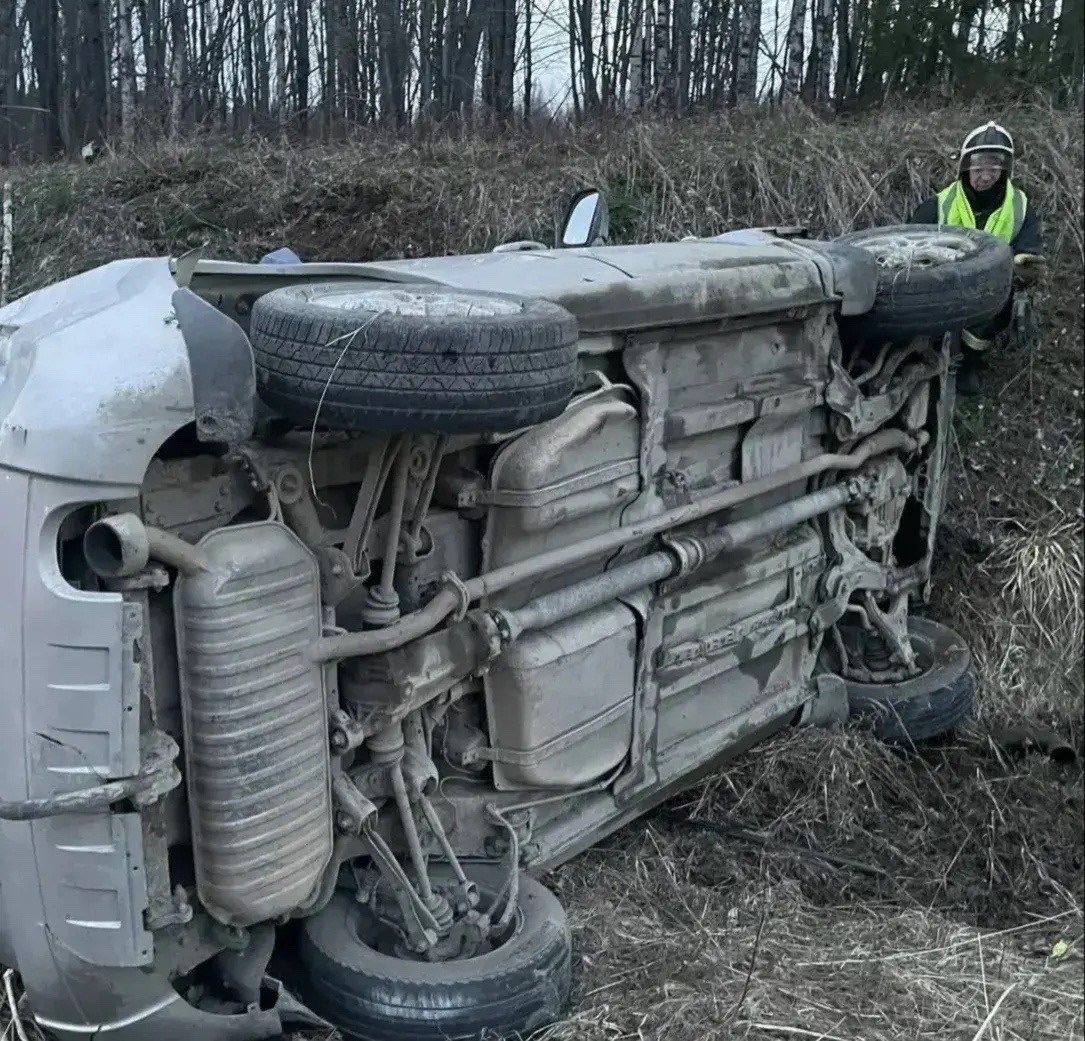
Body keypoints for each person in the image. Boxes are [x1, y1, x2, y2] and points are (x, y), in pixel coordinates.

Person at [908, 121, 1045, 396]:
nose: (985, 177)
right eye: (979, 169)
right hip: (943, 286)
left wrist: (1025, 265)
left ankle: (969, 364)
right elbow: (910, 242)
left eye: (993, 170)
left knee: (1001, 304)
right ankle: (925, 357)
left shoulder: (1019, 206)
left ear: (1004, 170)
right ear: (965, 169)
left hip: (991, 289)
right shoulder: (940, 204)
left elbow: (1029, 247)